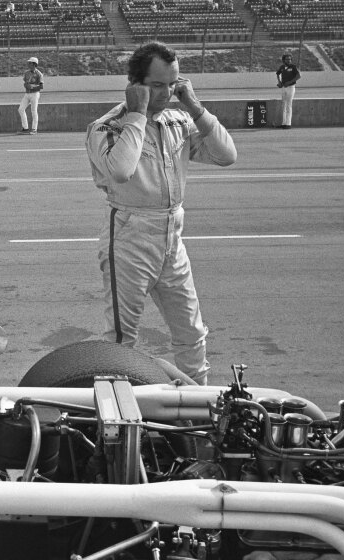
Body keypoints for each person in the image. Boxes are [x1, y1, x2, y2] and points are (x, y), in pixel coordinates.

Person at [84, 42, 237, 385]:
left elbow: (227, 155)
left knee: (192, 333)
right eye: (157, 85)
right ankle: (124, 422)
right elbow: (122, 170)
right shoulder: (107, 126)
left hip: (172, 237)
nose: (168, 93)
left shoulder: (178, 121)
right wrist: (138, 115)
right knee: (122, 341)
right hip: (129, 236)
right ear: (135, 85)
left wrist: (196, 107)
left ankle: (198, 411)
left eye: (173, 83)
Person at [17, 56, 44, 135]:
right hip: (27, 94)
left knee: (34, 111)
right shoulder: (26, 73)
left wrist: (32, 87)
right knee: (21, 109)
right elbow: (25, 83)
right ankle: (25, 128)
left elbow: (41, 86)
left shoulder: (39, 74)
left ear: (34, 64)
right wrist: (26, 86)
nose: (28, 64)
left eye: (30, 63)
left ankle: (34, 129)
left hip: (35, 94)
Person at [276, 53, 300, 129]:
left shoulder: (293, 67)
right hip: (283, 87)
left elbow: (299, 76)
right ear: (283, 60)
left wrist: (289, 82)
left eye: (290, 59)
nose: (289, 60)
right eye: (287, 59)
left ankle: (288, 124)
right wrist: (279, 82)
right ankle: (283, 123)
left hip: (291, 87)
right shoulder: (282, 67)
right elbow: (277, 74)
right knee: (283, 105)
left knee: (289, 105)